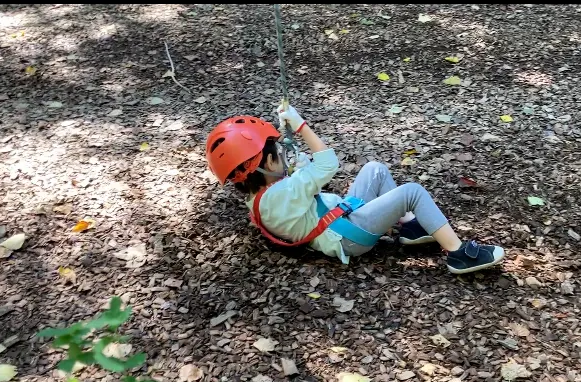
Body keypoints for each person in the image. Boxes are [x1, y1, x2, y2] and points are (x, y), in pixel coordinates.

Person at [205, 104, 505, 274]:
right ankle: (459, 254)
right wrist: (300, 127)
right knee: (411, 191)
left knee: (374, 169)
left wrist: (294, 158)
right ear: (262, 166)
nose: (283, 154)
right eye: (277, 153)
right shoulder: (283, 194)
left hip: (339, 221)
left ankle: (412, 229)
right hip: (348, 236)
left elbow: (302, 177)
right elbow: (327, 163)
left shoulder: (263, 196)